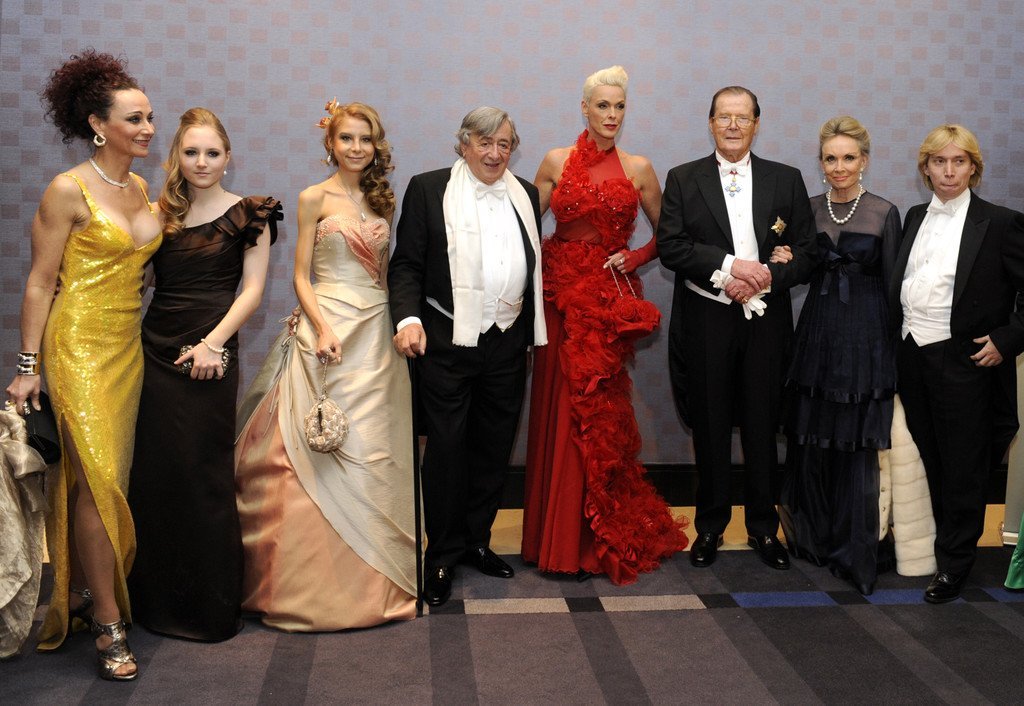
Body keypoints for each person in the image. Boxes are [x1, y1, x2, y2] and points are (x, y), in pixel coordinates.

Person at [3, 50, 160, 680]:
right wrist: (28, 366)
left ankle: (76, 591)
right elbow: (41, 283)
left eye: (150, 117)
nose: (148, 128)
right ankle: (108, 625)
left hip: (127, 348)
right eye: (134, 119)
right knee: (97, 482)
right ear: (98, 124)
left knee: (101, 479)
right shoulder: (67, 188)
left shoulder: (140, 188)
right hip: (77, 349)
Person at [234, 101, 416, 630]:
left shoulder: (384, 200)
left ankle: (377, 586)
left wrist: (395, 325)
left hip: (376, 337)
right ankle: (307, 590)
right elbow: (301, 276)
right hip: (328, 330)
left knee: (375, 451)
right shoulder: (313, 197)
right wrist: (323, 327)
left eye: (365, 139)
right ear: (330, 144)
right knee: (314, 448)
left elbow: (385, 274)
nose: (356, 148)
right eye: (346, 139)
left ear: (376, 145)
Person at [521, 66, 688, 584]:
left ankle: (590, 539)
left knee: (597, 413)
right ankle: (554, 538)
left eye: (619, 106)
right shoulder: (556, 161)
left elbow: (670, 234)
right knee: (560, 407)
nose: (612, 115)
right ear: (585, 108)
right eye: (603, 106)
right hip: (559, 297)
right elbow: (522, 223)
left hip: (607, 303)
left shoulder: (639, 168)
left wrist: (634, 257)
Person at [127, 108, 280, 641]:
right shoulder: (158, 216)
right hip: (154, 352)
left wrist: (213, 344)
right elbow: (138, 280)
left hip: (212, 353)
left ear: (228, 157)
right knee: (156, 474)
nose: (201, 162)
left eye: (212, 152)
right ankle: (153, 602)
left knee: (203, 473)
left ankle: (208, 611)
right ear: (177, 157)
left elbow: (252, 291)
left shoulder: (252, 213)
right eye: (191, 152)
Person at [388, 106, 546, 607]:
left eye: (504, 144)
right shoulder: (428, 188)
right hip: (447, 340)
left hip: (507, 342)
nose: (495, 153)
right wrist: (407, 319)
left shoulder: (526, 194)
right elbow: (406, 265)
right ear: (463, 145)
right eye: (484, 143)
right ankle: (441, 554)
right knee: (447, 449)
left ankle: (477, 540)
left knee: (493, 447)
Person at [657, 86, 818, 570]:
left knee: (762, 424)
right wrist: (729, 269)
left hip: (766, 322)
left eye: (742, 117)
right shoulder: (683, 178)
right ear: (710, 123)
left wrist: (768, 276)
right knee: (709, 424)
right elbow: (672, 247)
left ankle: (764, 529)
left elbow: (807, 252)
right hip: (707, 319)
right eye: (724, 117)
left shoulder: (786, 179)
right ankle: (709, 527)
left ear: (756, 124)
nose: (732, 125)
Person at [892, 124, 1024, 603]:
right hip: (913, 354)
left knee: (963, 466)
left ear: (973, 168)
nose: (949, 171)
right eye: (939, 162)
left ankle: (954, 564)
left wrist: (1008, 339)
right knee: (931, 457)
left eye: (959, 161)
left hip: (964, 359)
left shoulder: (1002, 223)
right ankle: (938, 546)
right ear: (925, 169)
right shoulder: (913, 217)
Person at [773, 116, 901, 595]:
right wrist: (784, 261)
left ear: (864, 160)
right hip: (819, 332)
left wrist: (892, 354)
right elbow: (799, 271)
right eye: (831, 158)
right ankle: (815, 539)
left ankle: (854, 547)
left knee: (856, 440)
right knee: (814, 434)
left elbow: (894, 287)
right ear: (821, 162)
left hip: (866, 335)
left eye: (849, 157)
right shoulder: (807, 210)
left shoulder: (884, 212)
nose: (839, 166)